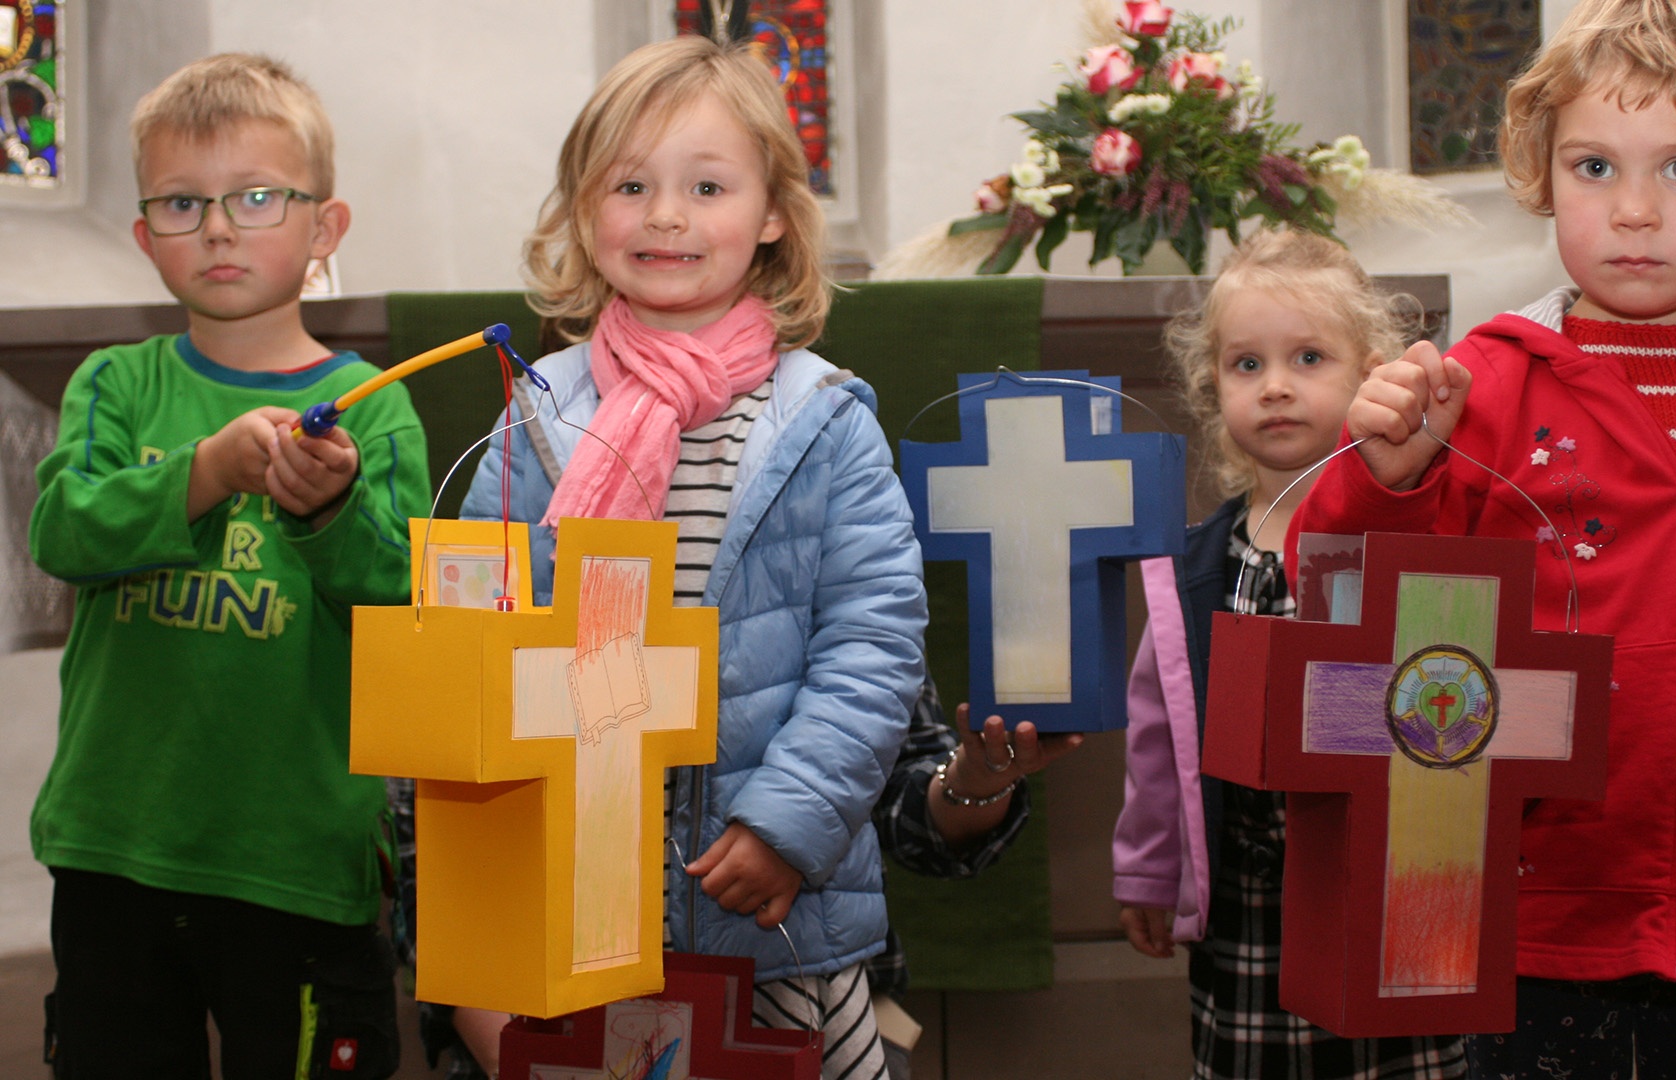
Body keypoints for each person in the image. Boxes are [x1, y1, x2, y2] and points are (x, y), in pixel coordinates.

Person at [1296, 1, 1676, 1075]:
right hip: (1535, 908)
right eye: (1594, 168)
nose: (1634, 210)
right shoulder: (1485, 389)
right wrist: (1387, 482)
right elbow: (1340, 614)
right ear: (1541, 174)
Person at [449, 35, 925, 1080]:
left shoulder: (823, 418)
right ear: (585, 212)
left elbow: (874, 645)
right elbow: (474, 649)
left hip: (768, 904)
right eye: (631, 184)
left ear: (770, 218)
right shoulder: (534, 419)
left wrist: (787, 826)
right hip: (578, 894)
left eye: (706, 186)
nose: (665, 215)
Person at [27, 54, 428, 1078]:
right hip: (118, 846)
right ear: (145, 236)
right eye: (181, 202)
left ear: (324, 230)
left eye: (256, 197)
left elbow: (404, 595)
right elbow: (64, 532)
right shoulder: (115, 382)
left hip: (293, 859)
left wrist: (328, 505)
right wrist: (203, 474)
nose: (217, 227)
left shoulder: (374, 405)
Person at [1112, 226, 1466, 1079]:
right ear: (1213, 383)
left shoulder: (1406, 529)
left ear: (1371, 371)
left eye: (1309, 358)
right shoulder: (1195, 564)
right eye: (1246, 364)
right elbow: (1161, 728)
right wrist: (1150, 869)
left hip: (1381, 892)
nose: (1275, 387)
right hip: (1248, 903)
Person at [395, 687, 1079, 1079]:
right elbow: (432, 817)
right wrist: (500, 1040)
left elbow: (909, 807)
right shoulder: (533, 485)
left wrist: (973, 783)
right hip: (542, 1024)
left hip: (804, 1018)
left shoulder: (828, 521)